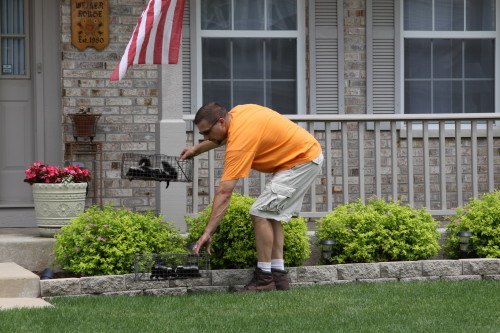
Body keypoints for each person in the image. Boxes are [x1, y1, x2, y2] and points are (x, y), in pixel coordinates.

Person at [180, 103, 323, 292]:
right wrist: (197, 149)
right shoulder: (238, 114)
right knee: (270, 214)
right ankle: (279, 277)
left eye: (207, 132)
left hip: (301, 160)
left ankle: (264, 278)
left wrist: (208, 232)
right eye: (202, 135)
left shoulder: (239, 144)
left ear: (221, 122)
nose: (206, 138)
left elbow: (224, 192)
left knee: (259, 213)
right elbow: (221, 137)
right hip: (303, 156)